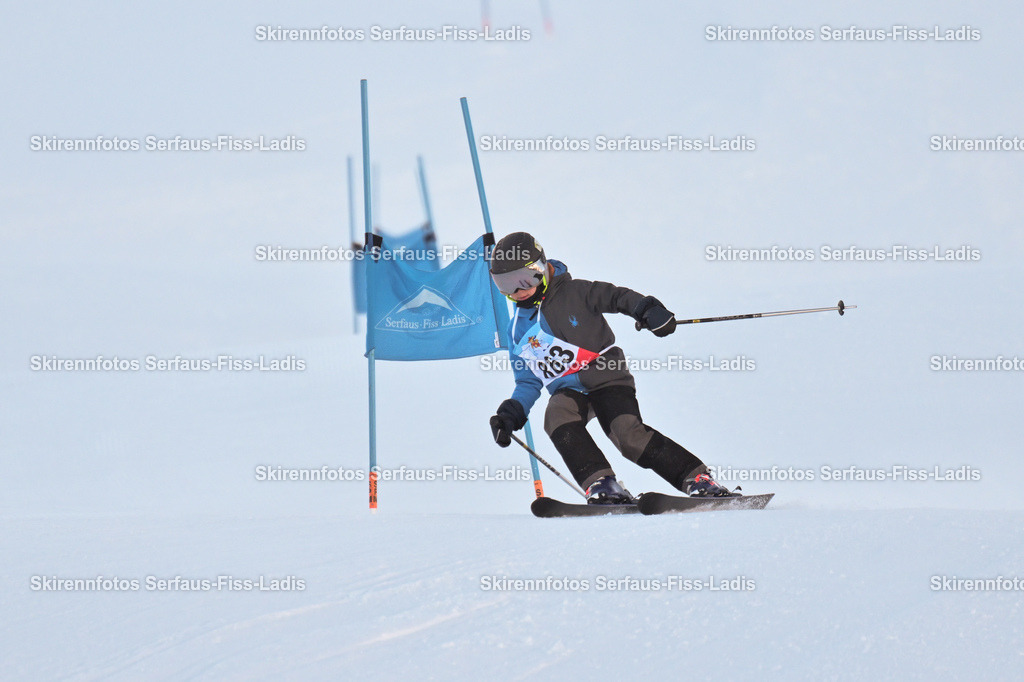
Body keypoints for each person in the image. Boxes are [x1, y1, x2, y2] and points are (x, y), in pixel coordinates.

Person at [488, 232, 732, 504]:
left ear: (540, 269)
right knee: (556, 415)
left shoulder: (577, 291)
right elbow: (528, 381)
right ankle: (602, 485)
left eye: (521, 280)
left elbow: (617, 297)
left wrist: (647, 310)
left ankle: (696, 479)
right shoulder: (518, 330)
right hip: (569, 390)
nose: (516, 292)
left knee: (626, 433)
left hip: (607, 378)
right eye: (504, 285)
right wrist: (512, 412)